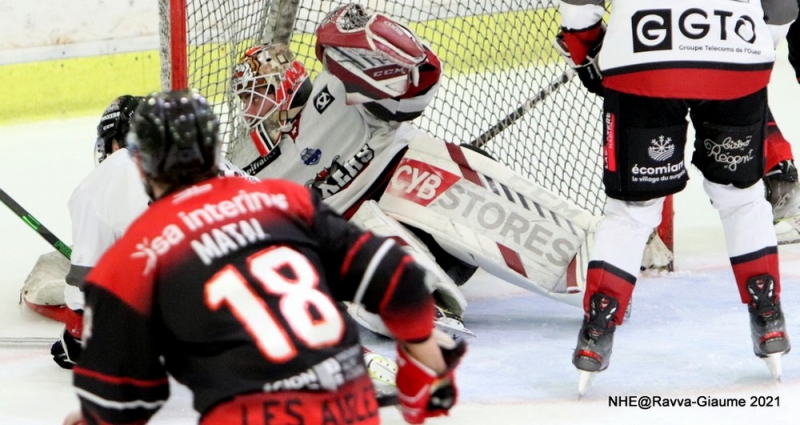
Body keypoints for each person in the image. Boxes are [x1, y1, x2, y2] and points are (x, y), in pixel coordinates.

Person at [62, 89, 466, 425]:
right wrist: (422, 366)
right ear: (214, 151)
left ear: (140, 161)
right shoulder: (282, 199)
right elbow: (398, 278)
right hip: (350, 405)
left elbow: (122, 399)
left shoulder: (134, 252)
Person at [555, 0, 798, 394]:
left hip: (643, 60)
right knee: (741, 199)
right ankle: (767, 315)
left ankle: (597, 330)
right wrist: (758, 46)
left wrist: (587, 46)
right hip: (735, 55)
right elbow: (783, 6)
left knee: (632, 213)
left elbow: (580, 5)